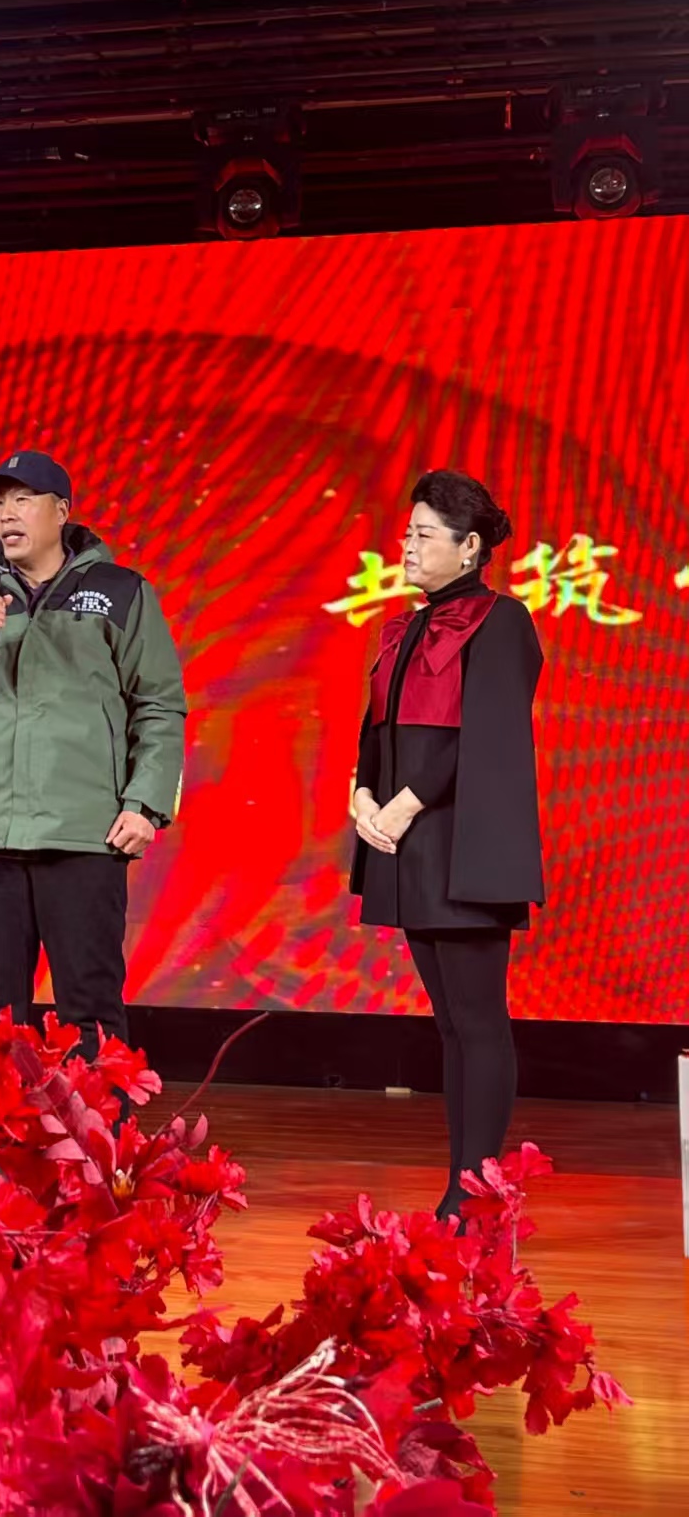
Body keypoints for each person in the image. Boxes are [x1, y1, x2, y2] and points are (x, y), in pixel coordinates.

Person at [0, 451, 186, 1059]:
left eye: (22, 500)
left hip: (84, 832)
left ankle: (97, 1122)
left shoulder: (120, 591)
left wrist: (145, 804)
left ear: (61, 512)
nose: (5, 515)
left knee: (90, 1004)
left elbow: (159, 705)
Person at [351, 470, 544, 1224]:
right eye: (407, 533)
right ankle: (464, 1185)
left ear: (468, 548)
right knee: (450, 1024)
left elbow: (487, 738)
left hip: (465, 844)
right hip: (412, 845)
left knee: (479, 1019)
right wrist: (362, 794)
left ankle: (475, 1191)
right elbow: (379, 728)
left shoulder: (501, 621)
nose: (407, 547)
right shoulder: (403, 626)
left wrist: (403, 804)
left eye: (424, 535)